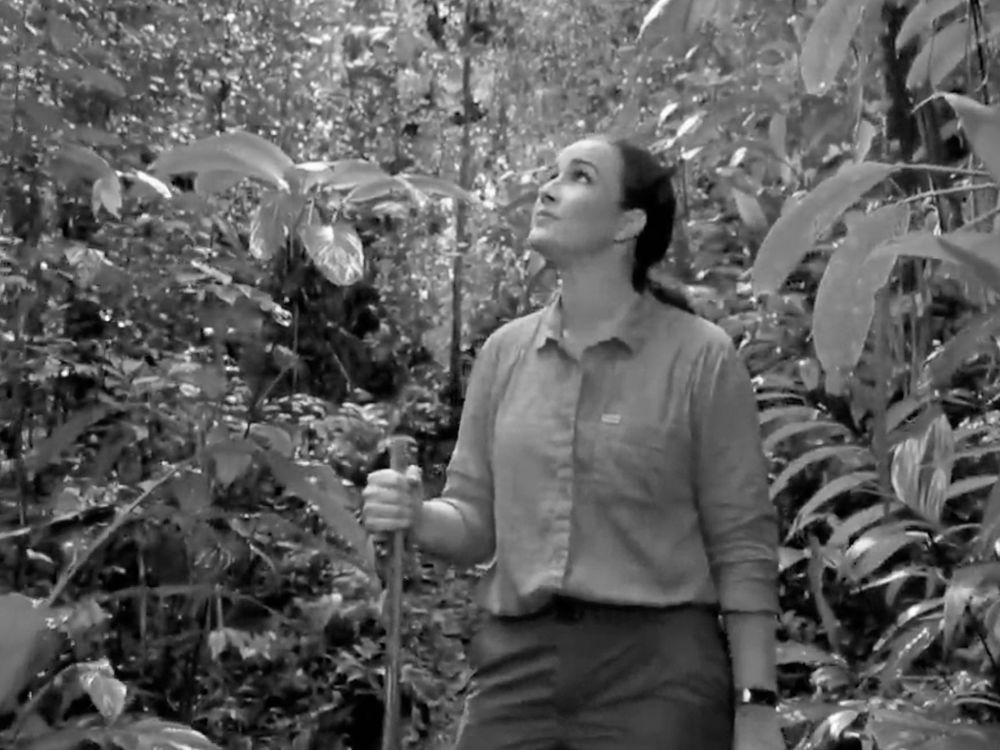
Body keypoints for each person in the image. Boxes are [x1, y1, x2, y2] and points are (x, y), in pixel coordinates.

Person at [362, 135, 784, 750]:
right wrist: (416, 514)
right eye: (552, 172)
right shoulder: (505, 354)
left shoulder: (701, 359)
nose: (549, 187)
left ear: (629, 224)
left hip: (658, 674)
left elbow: (743, 543)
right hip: (515, 666)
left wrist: (756, 708)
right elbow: (476, 522)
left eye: (579, 176)